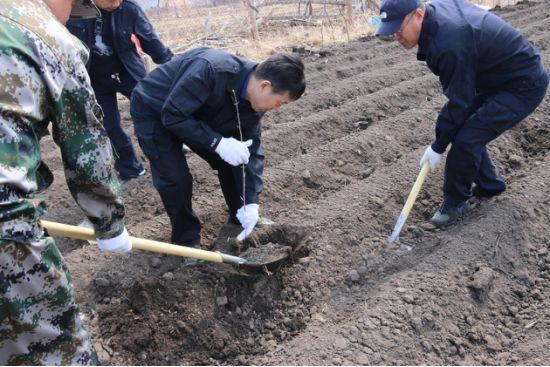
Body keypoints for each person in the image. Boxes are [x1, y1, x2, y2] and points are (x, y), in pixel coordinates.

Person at [0, 0, 133, 364]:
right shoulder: (45, 34)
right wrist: (109, 224)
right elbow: (86, 146)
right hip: (4, 228)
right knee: (58, 351)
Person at [376, 0, 549, 227]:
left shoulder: (450, 41)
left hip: (522, 84)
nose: (396, 36)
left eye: (399, 29)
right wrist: (441, 140)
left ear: (419, 14)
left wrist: (438, 145)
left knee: (466, 139)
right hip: (495, 77)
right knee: (467, 128)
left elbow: (459, 102)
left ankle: (455, 203)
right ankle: (490, 185)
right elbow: (461, 97)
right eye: (392, 32)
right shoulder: (436, 19)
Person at [130, 47, 305, 246]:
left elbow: (250, 152)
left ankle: (240, 216)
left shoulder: (255, 103)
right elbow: (173, 115)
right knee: (175, 178)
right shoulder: (211, 69)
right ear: (265, 86)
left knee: (234, 159)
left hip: (196, 112)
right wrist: (218, 142)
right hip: (155, 108)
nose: (277, 108)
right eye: (279, 102)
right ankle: (186, 241)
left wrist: (251, 202)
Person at [67, 0, 173, 182]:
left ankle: (173, 148)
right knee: (108, 125)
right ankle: (130, 168)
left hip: (128, 71)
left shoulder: (129, 8)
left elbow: (150, 39)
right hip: (96, 78)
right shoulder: (75, 10)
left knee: (153, 110)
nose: (116, 3)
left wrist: (171, 65)